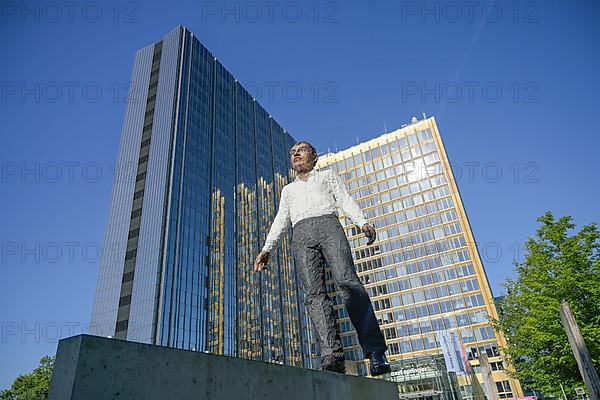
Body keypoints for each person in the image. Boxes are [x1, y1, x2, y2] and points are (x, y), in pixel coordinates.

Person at [253, 141, 391, 376]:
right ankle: (332, 356)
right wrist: (267, 248)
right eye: (292, 152)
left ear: (315, 157)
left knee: (349, 283)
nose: (296, 153)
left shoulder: (327, 176)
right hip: (301, 237)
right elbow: (281, 219)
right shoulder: (288, 191)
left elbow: (344, 199)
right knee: (315, 296)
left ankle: (376, 352)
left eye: (302, 149)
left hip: (329, 226)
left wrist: (361, 221)